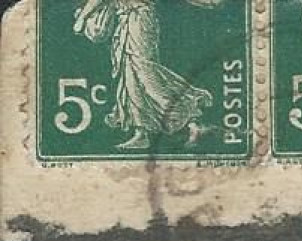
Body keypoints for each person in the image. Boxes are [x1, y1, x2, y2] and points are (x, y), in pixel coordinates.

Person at [74, 0, 212, 151]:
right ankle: (145, 132)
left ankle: (187, 109)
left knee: (144, 75)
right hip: (130, 21)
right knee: (133, 74)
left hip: (138, 21)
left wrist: (82, 17)